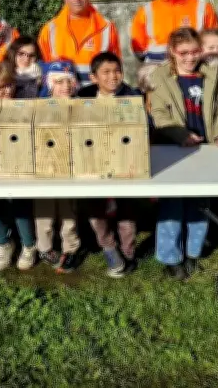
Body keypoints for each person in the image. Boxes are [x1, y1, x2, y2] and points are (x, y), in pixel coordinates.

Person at [148, 28, 218, 280]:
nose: (190, 57)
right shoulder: (161, 78)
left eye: (195, 51)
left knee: (200, 205)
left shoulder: (212, 75)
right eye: (183, 52)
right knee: (172, 206)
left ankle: (192, 253)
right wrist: (180, 135)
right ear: (172, 52)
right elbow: (159, 114)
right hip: (174, 151)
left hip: (205, 150)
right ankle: (171, 257)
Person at [76, 52, 143, 277]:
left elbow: (144, 125)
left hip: (125, 160)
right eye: (106, 72)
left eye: (117, 71)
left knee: (127, 209)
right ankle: (108, 247)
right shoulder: (83, 97)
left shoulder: (132, 96)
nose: (113, 76)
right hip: (94, 162)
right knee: (95, 208)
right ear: (93, 77)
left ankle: (128, 251)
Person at [0, 62, 37, 271]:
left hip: (18, 166)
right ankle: (3, 244)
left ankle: (29, 245)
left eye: (8, 85)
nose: (4, 91)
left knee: (21, 207)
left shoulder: (22, 107)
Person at [132, 0, 218, 88]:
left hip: (194, 77)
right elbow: (139, 50)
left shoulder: (203, 8)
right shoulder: (145, 11)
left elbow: (214, 45)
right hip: (157, 78)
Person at [35, 60, 83, 273]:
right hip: (45, 164)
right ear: (50, 84)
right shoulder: (40, 106)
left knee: (68, 210)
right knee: (44, 208)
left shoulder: (80, 106)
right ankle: (44, 247)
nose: (65, 86)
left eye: (68, 82)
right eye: (59, 82)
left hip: (70, 165)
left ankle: (70, 247)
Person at [38, 0, 122, 85]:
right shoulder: (49, 29)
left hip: (96, 92)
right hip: (63, 93)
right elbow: (43, 70)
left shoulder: (107, 28)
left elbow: (116, 67)